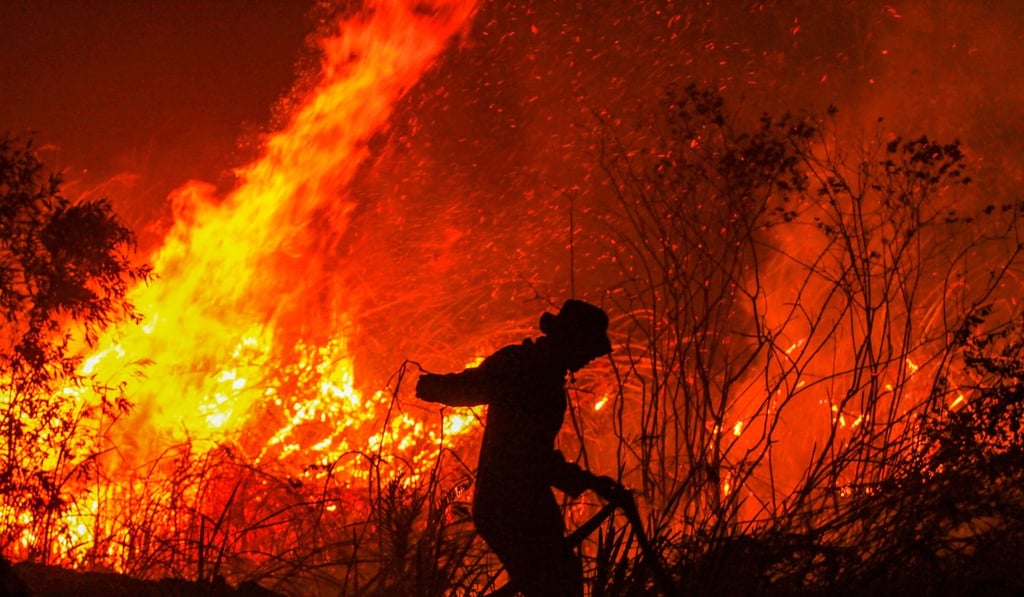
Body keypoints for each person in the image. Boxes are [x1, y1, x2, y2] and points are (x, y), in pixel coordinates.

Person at [415, 299, 621, 597]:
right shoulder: (527, 369)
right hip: (511, 505)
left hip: (519, 503)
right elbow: (527, 452)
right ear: (572, 341)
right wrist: (438, 387)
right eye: (587, 348)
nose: (590, 357)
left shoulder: (541, 374)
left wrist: (590, 482)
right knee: (558, 585)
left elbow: (534, 453)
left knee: (557, 581)